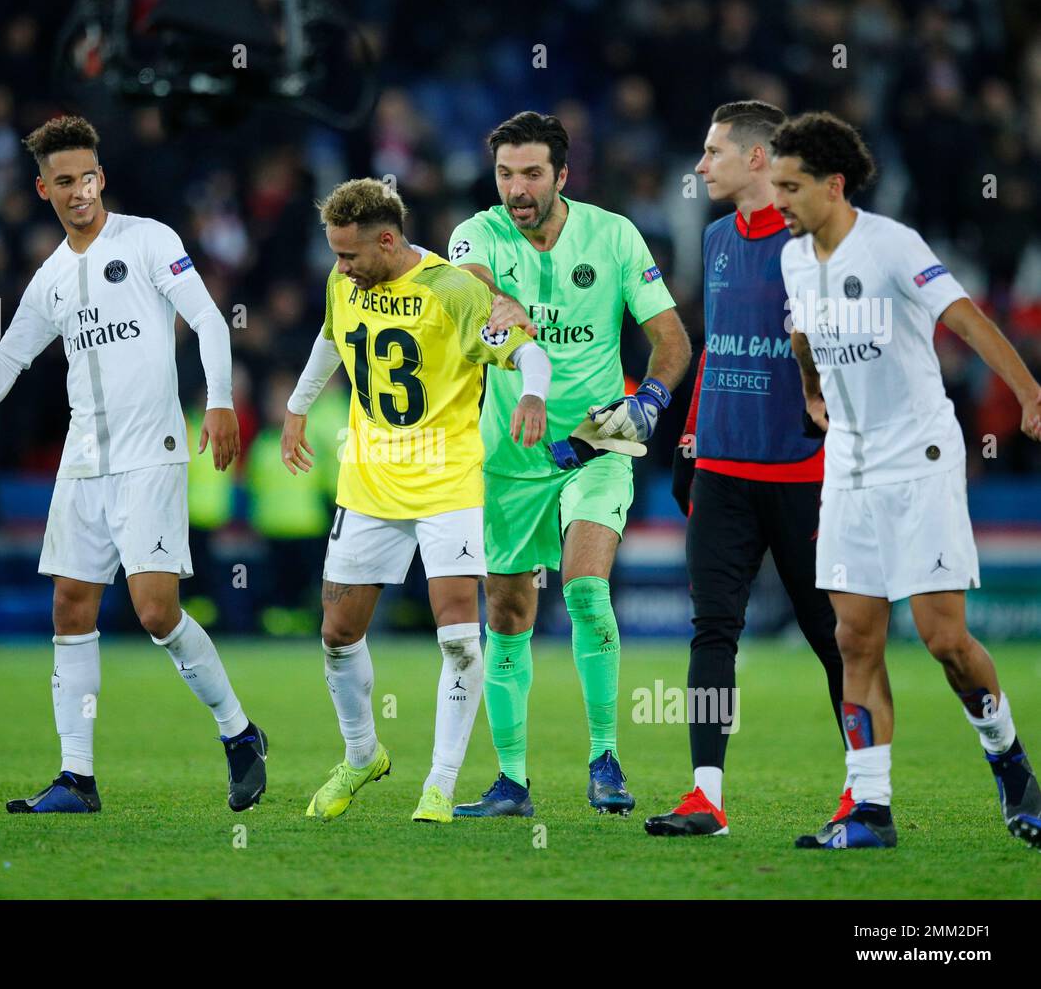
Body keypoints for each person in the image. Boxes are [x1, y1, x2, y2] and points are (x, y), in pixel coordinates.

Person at [0, 116, 266, 814]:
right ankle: (76, 778)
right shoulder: (51, 276)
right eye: (64, 181)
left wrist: (218, 401)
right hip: (83, 459)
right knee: (70, 605)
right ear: (43, 189)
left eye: (88, 176)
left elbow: (209, 320)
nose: (79, 190)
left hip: (151, 453)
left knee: (155, 612)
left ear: (102, 177)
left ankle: (240, 734)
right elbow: (9, 356)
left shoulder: (149, 240)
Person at [771, 111, 1041, 850]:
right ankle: (870, 808)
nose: (779, 201)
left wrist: (1028, 391)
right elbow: (801, 329)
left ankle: (1009, 761)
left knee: (942, 637)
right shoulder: (794, 258)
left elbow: (968, 320)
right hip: (850, 463)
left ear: (833, 183)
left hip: (918, 454)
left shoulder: (893, 245)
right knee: (855, 637)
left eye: (791, 187)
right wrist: (809, 388)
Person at [280, 177, 551, 823]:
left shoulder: (454, 290)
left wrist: (535, 394)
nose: (340, 268)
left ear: (387, 238)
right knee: (337, 633)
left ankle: (440, 781)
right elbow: (329, 335)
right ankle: (362, 752)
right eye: (334, 255)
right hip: (369, 479)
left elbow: (526, 351)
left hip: (446, 479)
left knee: (457, 636)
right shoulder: (346, 283)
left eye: (349, 255)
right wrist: (296, 407)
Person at [446, 112, 691, 818]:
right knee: (510, 609)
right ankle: (513, 782)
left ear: (562, 175)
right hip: (509, 451)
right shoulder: (480, 232)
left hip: (598, 440)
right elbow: (474, 283)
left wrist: (648, 398)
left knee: (586, 589)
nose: (517, 190)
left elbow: (671, 341)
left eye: (531, 174)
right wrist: (500, 303)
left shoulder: (613, 235)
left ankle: (605, 759)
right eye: (505, 174)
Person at [645, 101, 847, 838]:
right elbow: (716, 348)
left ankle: (865, 790)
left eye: (713, 152)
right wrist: (690, 441)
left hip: (803, 471)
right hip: (724, 468)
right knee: (712, 631)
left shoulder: (817, 246)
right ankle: (705, 795)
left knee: (834, 635)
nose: (701, 167)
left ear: (757, 159)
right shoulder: (718, 237)